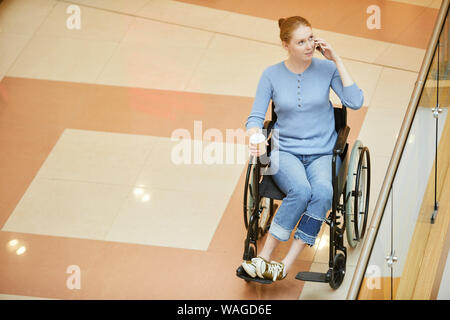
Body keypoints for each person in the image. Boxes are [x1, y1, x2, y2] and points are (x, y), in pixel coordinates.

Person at [242, 16, 364, 282]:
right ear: (286, 45)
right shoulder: (271, 75)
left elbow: (355, 101)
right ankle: (264, 256)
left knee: (322, 193)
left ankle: (285, 264)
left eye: (311, 38)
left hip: (322, 152)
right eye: (301, 41)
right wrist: (254, 136)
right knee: (301, 190)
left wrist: (337, 60)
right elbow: (255, 117)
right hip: (286, 151)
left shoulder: (325, 70)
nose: (309, 45)